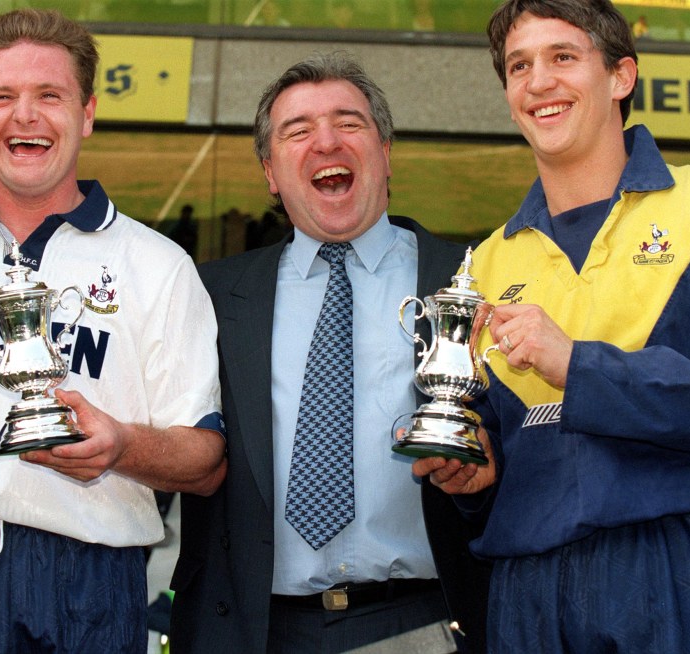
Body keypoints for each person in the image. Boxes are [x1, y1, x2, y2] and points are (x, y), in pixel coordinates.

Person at [414, 1, 690, 652]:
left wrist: (579, 366)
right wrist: (474, 475)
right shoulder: (489, 263)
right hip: (525, 590)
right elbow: (497, 456)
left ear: (622, 76)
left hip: (684, 568)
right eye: (519, 66)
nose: (538, 82)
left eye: (563, 57)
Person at [0, 9, 224, 652]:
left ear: (86, 113)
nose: (25, 116)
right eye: (2, 97)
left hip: (87, 578)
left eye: (49, 96)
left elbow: (205, 460)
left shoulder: (158, 266)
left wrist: (121, 445)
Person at [170, 51, 491, 654]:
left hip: (422, 625)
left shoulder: (470, 281)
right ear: (270, 171)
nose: (326, 143)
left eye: (348, 123)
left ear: (386, 152)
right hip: (249, 631)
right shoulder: (211, 295)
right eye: (298, 131)